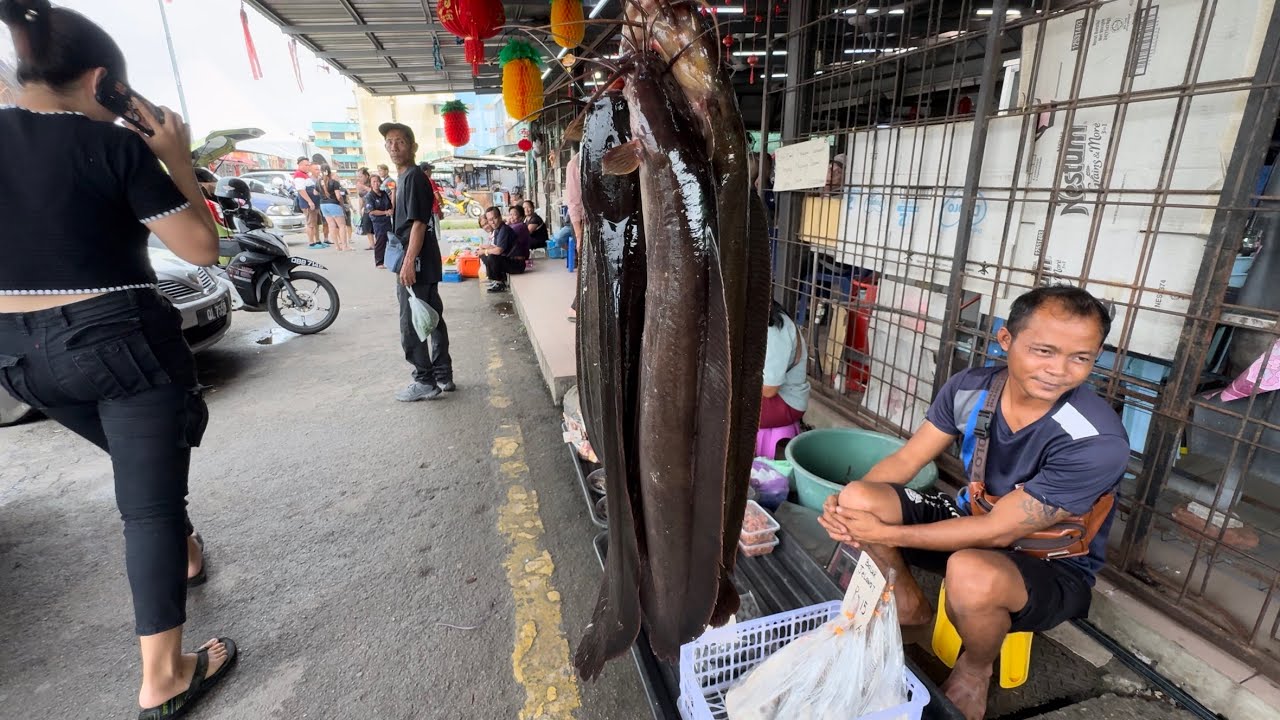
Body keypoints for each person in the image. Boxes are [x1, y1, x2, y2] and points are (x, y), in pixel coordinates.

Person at [0, 1, 237, 715]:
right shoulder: (112, 146)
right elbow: (200, 248)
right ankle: (164, 675)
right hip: (118, 338)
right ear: (104, 82)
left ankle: (186, 548)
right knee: (148, 506)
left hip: (18, 357)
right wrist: (173, 157)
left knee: (145, 478)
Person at [818, 286, 1127, 720]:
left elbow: (1000, 531)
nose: (1059, 370)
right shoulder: (971, 390)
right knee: (859, 498)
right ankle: (908, 602)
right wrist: (841, 507)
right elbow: (908, 458)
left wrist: (885, 535)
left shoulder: (1095, 439)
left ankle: (976, 668)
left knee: (971, 570)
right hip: (972, 520)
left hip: (1050, 564)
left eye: (1081, 358)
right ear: (1006, 340)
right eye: (1044, 350)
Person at [380, 121, 454, 401]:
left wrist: (409, 262)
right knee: (431, 317)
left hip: (417, 260)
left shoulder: (412, 177)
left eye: (400, 141)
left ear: (413, 146)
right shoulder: (405, 178)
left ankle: (425, 380)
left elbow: (419, 224)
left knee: (412, 323)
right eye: (389, 142)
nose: (394, 147)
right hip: (424, 259)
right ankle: (443, 374)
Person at [761, 300, 809, 429]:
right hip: (772, 396)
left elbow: (769, 389)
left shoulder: (774, 329)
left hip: (786, 402)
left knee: (717, 407)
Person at [479, 206, 529, 293]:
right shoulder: (498, 229)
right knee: (484, 254)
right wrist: (483, 248)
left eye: (494, 218)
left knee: (492, 256)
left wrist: (485, 250)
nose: (492, 222)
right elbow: (495, 247)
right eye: (490, 220)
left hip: (517, 264)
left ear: (500, 217)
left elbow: (498, 250)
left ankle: (500, 282)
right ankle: (495, 279)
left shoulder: (504, 229)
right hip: (511, 261)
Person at [317, 164, 351, 251]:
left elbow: (315, 192)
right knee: (342, 225)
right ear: (330, 172)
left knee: (331, 226)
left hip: (323, 205)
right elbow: (338, 196)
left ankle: (337, 246)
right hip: (334, 204)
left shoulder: (318, 182)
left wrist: (323, 193)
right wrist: (342, 203)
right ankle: (345, 246)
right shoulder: (334, 182)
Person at [364, 173, 393, 268]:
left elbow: (390, 206)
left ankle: (389, 260)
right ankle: (379, 262)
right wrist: (385, 212)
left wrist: (390, 210)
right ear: (371, 184)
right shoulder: (369, 196)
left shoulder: (384, 193)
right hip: (378, 222)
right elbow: (371, 211)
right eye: (374, 182)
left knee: (390, 241)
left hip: (387, 221)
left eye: (377, 181)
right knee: (380, 241)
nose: (376, 183)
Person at [293, 156, 322, 248]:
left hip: (314, 202)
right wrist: (310, 201)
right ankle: (311, 242)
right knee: (311, 224)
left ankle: (317, 241)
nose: (308, 167)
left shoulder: (305, 175)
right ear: (300, 165)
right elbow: (301, 190)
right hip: (308, 204)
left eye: (309, 165)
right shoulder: (299, 175)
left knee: (315, 223)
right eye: (306, 165)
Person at [355, 167, 375, 250]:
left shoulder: (372, 182)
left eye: (361, 176)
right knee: (366, 225)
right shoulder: (359, 185)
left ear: (366, 176)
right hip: (366, 208)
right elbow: (360, 197)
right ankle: (372, 244)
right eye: (358, 177)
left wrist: (364, 187)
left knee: (376, 226)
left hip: (375, 207)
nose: (359, 178)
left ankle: (379, 243)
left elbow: (375, 192)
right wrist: (360, 208)